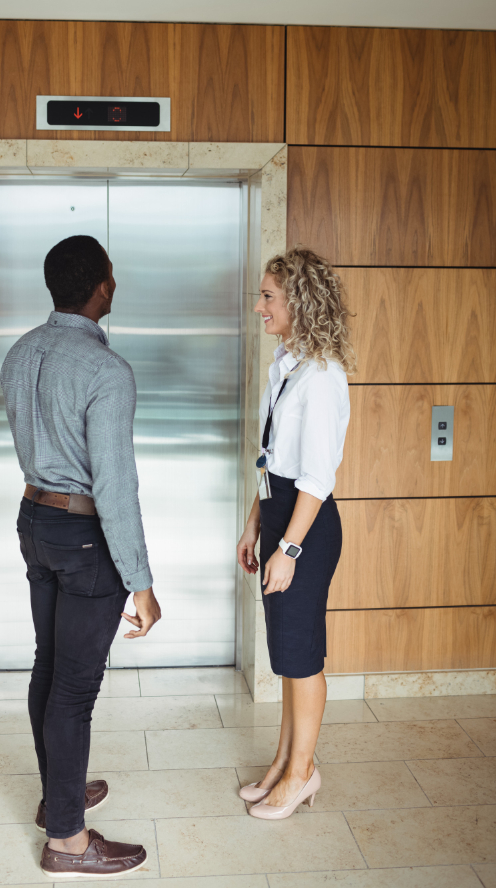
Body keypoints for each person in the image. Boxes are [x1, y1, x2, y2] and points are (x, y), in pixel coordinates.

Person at [0, 235, 161, 879]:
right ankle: (67, 840)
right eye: (112, 279)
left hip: (35, 520)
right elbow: (114, 487)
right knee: (74, 687)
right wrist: (141, 582)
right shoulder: (105, 370)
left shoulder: (19, 353)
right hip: (85, 535)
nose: (113, 287)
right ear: (100, 287)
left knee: (51, 666)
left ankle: (56, 798)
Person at [236, 246, 355, 820]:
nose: (259, 306)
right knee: (286, 655)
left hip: (305, 525)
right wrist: (254, 524)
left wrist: (287, 548)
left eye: (268, 296)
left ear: (299, 302)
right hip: (278, 513)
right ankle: (284, 763)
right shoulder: (286, 364)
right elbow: (269, 461)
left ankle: (303, 775)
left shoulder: (324, 376)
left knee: (303, 656)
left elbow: (315, 477)